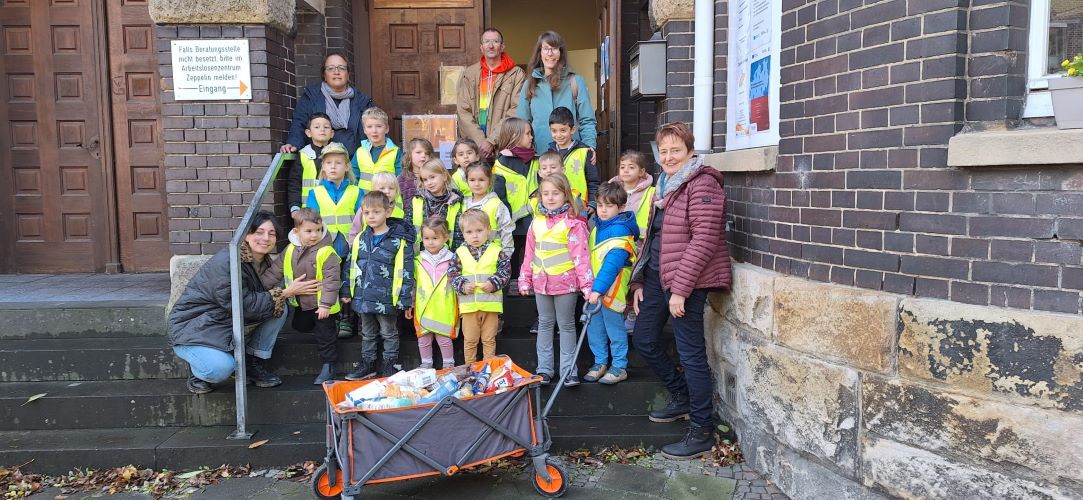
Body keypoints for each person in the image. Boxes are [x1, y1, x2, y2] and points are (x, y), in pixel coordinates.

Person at [630, 122, 730, 460]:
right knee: (643, 338)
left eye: (676, 149)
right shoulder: (666, 183)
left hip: (687, 284)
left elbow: (703, 242)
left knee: (692, 355)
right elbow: (655, 236)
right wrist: (642, 281)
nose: (669, 156)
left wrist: (681, 291)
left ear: (690, 150)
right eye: (664, 150)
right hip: (659, 279)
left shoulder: (702, 184)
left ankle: (702, 429)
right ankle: (682, 396)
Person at [168, 211, 319, 394]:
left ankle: (251, 362)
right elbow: (243, 305)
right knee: (220, 369)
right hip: (195, 327)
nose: (266, 238)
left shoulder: (263, 262)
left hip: (223, 323)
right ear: (246, 235)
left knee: (279, 309)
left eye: (271, 234)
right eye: (259, 232)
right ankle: (197, 372)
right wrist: (287, 292)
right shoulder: (228, 262)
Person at [519, 174, 593, 386]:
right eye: (546, 194)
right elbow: (529, 254)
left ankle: (569, 371)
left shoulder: (573, 225)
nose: (550, 198)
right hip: (541, 283)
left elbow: (582, 258)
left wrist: (587, 286)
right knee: (545, 324)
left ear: (566, 196)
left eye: (556, 193)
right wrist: (525, 279)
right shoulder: (536, 223)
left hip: (566, 284)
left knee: (567, 325)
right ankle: (544, 369)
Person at [260, 208, 342, 384]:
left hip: (322, 305)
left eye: (318, 230)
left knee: (324, 335)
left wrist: (326, 305)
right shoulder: (290, 250)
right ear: (296, 231)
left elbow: (331, 279)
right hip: (301, 301)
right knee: (300, 325)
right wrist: (260, 288)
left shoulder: (326, 251)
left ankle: (329, 366)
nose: (314, 235)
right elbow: (275, 271)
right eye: (309, 231)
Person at [345, 191, 416, 380]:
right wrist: (346, 289)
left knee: (389, 332)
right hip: (364, 296)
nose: (371, 217)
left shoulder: (399, 240)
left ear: (388, 211)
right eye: (367, 213)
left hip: (387, 298)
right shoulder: (360, 238)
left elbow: (407, 271)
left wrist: (405, 299)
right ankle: (368, 364)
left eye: (376, 212)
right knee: (367, 333)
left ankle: (389, 364)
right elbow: (351, 264)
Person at [304, 142, 360, 338]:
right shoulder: (315, 193)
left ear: (346, 166)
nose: (333, 166)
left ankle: (347, 319)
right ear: (323, 167)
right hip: (325, 246)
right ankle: (331, 318)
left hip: (349, 244)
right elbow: (310, 220)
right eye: (329, 163)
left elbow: (362, 218)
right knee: (328, 281)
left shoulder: (356, 191)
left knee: (348, 281)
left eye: (338, 162)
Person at [584, 183, 638, 385]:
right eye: (599, 205)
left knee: (614, 329)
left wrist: (597, 289)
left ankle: (619, 366)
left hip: (611, 290)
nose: (603, 210)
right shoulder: (597, 227)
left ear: (621, 207)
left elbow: (611, 266)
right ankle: (600, 362)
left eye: (609, 206)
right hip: (594, 290)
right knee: (594, 327)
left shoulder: (621, 232)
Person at [517, 31, 596, 153]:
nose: (550, 53)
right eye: (546, 48)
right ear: (540, 53)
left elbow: (587, 121)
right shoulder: (529, 85)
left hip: (572, 156)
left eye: (554, 48)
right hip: (539, 156)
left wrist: (589, 148)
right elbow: (521, 124)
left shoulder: (576, 82)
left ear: (561, 53)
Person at [282, 52, 375, 154]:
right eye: (331, 68)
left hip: (355, 163)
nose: (336, 72)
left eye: (341, 68)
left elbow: (375, 128)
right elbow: (299, 124)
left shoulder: (362, 101)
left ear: (348, 74)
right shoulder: (311, 97)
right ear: (324, 75)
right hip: (320, 162)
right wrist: (293, 143)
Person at [450, 209, 511, 362]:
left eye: (479, 230)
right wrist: (463, 286)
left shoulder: (497, 250)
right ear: (463, 233)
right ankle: (470, 370)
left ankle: (488, 369)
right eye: (469, 232)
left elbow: (505, 271)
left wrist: (493, 283)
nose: (475, 235)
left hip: (491, 306)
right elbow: (452, 273)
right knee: (470, 341)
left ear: (488, 230)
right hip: (469, 307)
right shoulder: (460, 252)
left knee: (489, 340)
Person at [457, 28, 526, 158]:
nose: (491, 45)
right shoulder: (469, 74)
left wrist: (492, 141)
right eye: (486, 41)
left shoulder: (516, 74)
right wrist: (481, 142)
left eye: (495, 41)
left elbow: (516, 110)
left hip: (504, 148)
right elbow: (463, 111)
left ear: (502, 47)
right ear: (481, 47)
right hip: (474, 150)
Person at [408, 218, 458, 369]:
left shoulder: (453, 259)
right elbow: (413, 284)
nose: (430, 242)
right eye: (426, 238)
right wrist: (410, 303)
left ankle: (449, 364)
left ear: (445, 238)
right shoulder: (418, 260)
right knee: (423, 338)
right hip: (423, 306)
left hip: (444, 306)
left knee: (444, 338)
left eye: (435, 238)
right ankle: (426, 364)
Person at [548, 107, 599, 215]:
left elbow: (593, 181)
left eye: (563, 130)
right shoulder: (549, 154)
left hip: (580, 206)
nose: (558, 135)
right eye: (554, 131)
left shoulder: (585, 152)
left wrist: (592, 203)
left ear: (572, 130)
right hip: (555, 207)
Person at [405, 158, 465, 250]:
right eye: (425, 179)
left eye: (432, 177)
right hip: (420, 257)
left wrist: (456, 259)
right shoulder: (417, 200)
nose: (429, 182)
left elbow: (460, 235)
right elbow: (407, 229)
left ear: (444, 176)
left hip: (448, 257)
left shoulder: (456, 202)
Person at [462, 161, 513, 257]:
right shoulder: (463, 204)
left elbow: (506, 231)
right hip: (469, 255)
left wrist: (506, 255)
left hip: (493, 255)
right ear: (467, 181)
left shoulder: (496, 204)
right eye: (472, 180)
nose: (477, 184)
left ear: (489, 181)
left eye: (481, 180)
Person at [288, 112, 334, 214]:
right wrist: (294, 207)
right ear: (308, 133)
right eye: (317, 127)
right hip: (308, 210)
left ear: (332, 133)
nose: (322, 130)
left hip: (333, 209)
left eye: (326, 127)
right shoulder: (303, 154)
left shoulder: (339, 153)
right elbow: (295, 183)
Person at [350, 107, 402, 193]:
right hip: (364, 201)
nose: (374, 131)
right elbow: (352, 178)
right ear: (364, 130)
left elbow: (400, 179)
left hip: (387, 201)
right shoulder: (360, 152)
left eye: (379, 126)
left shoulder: (395, 152)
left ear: (386, 129)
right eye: (369, 127)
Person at [349, 172, 404, 244]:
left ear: (396, 191)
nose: (387, 191)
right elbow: (355, 231)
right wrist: (352, 249)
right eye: (382, 188)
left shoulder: (400, 212)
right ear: (373, 191)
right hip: (366, 250)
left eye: (391, 188)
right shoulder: (364, 209)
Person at [616, 150, 655, 240]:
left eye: (631, 167)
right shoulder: (612, 191)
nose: (626, 170)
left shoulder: (651, 192)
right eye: (622, 167)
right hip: (616, 240)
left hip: (641, 243)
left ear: (641, 172)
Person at [399, 138, 433, 202]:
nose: (423, 155)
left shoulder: (437, 175)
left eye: (427, 153)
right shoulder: (401, 179)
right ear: (409, 155)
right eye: (418, 152)